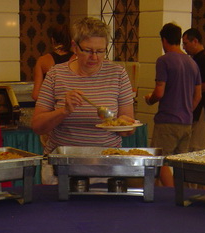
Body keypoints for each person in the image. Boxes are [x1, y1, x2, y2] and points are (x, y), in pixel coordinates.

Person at [31, 16, 135, 182]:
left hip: (106, 164)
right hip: (62, 165)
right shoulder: (55, 74)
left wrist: (122, 124)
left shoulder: (118, 74)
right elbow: (37, 126)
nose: (94, 57)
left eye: (100, 51)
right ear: (74, 46)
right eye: (88, 50)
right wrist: (64, 111)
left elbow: (129, 129)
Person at [145, 23, 202, 186]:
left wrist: (149, 99)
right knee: (179, 164)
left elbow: (159, 92)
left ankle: (170, 194)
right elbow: (198, 95)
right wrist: (187, 110)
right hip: (186, 122)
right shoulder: (192, 63)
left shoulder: (164, 61)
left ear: (164, 40)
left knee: (159, 160)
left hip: (167, 120)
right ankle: (181, 194)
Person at [182, 27, 205, 151]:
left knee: (196, 149)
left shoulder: (204, 59)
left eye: (186, 43)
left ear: (195, 41)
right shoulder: (200, 58)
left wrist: (189, 90)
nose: (184, 48)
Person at [32, 25, 75, 101]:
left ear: (52, 40)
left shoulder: (42, 60)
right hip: (73, 104)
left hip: (51, 106)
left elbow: (36, 95)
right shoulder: (77, 59)